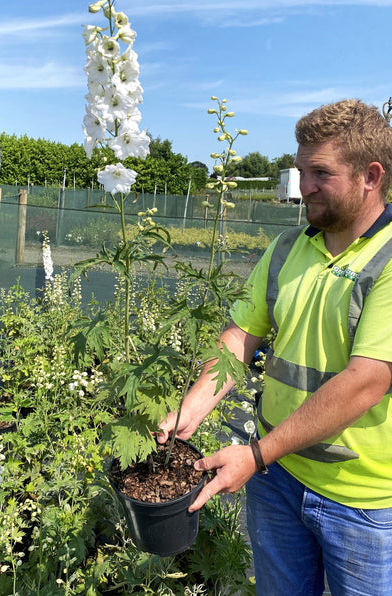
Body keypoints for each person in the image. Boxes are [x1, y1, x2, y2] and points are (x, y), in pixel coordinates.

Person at [158, 99, 392, 595]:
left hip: (364, 502)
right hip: (278, 482)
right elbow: (239, 338)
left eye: (320, 173)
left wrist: (257, 455)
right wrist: (191, 409)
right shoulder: (288, 247)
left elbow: (365, 381)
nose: (304, 186)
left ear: (371, 176)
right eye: (300, 170)